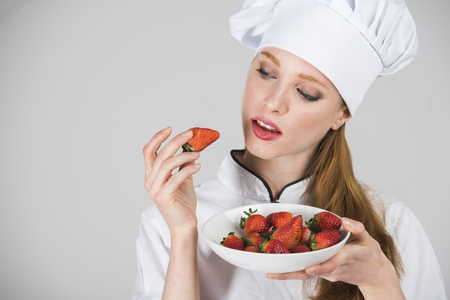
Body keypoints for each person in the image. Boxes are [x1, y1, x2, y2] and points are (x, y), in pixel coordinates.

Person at [132, 0, 447, 299]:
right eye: (266, 73)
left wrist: (380, 281)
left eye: (306, 93)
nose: (272, 102)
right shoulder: (170, 219)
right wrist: (184, 234)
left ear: (342, 115)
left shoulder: (393, 225)